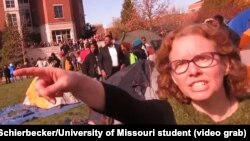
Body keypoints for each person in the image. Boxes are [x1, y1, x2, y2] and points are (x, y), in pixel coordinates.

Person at [14, 23, 250, 124]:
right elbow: (122, 104)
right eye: (181, 64)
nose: (193, 71)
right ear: (173, 75)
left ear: (227, 63)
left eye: (203, 58)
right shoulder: (168, 115)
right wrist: (74, 81)